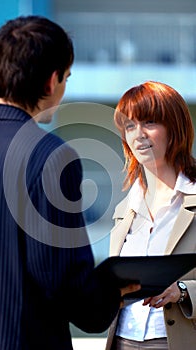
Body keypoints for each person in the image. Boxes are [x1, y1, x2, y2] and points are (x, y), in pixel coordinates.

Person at [0, 16, 139, 350]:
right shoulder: (50, 156)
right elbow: (61, 278)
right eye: (66, 77)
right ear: (51, 81)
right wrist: (107, 296)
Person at [106, 81, 196, 350]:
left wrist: (181, 291)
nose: (138, 135)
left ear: (175, 128)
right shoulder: (125, 209)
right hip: (123, 339)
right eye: (130, 126)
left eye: (150, 122)